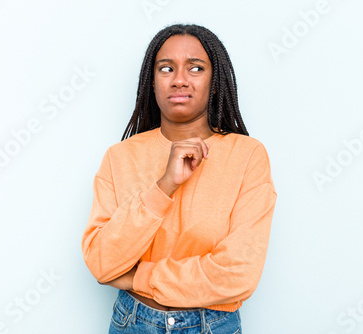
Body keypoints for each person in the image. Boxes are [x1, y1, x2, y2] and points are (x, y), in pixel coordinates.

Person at [81, 23, 277, 333]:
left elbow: (237, 275)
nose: (180, 80)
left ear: (214, 82)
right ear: (152, 82)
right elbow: (102, 262)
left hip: (213, 325)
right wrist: (164, 185)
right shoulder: (119, 157)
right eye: (166, 69)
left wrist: (137, 278)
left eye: (195, 68)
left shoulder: (247, 155)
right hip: (133, 323)